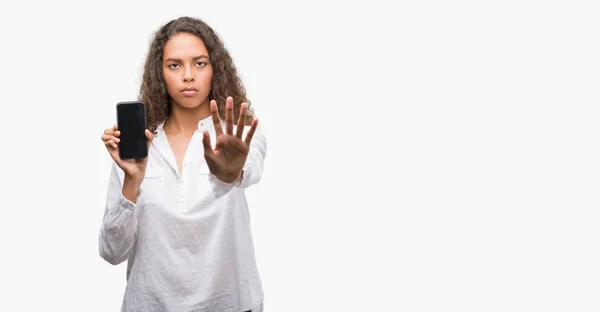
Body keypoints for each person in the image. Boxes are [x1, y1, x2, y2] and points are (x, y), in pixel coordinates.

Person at [98, 16, 266, 312]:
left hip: (230, 303)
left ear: (215, 68)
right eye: (174, 65)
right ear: (160, 73)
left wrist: (231, 172)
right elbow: (112, 252)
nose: (188, 75)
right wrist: (132, 181)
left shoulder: (237, 133)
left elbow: (247, 168)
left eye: (199, 63)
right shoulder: (139, 147)